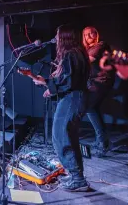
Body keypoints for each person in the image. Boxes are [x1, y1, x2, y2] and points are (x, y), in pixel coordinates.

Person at [32, 24, 90, 191]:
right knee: (68, 138)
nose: (55, 38)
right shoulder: (77, 53)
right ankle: (77, 177)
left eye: (58, 35)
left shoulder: (71, 54)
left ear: (64, 37)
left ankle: (78, 179)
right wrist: (50, 86)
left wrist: (46, 82)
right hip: (76, 98)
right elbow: (69, 81)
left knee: (60, 137)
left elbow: (68, 82)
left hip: (72, 99)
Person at [82, 26, 114, 157]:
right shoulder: (87, 49)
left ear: (96, 34)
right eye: (86, 34)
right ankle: (101, 140)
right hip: (96, 81)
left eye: (91, 33)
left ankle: (103, 143)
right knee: (93, 108)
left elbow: (87, 62)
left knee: (89, 107)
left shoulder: (100, 46)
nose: (89, 36)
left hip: (102, 81)